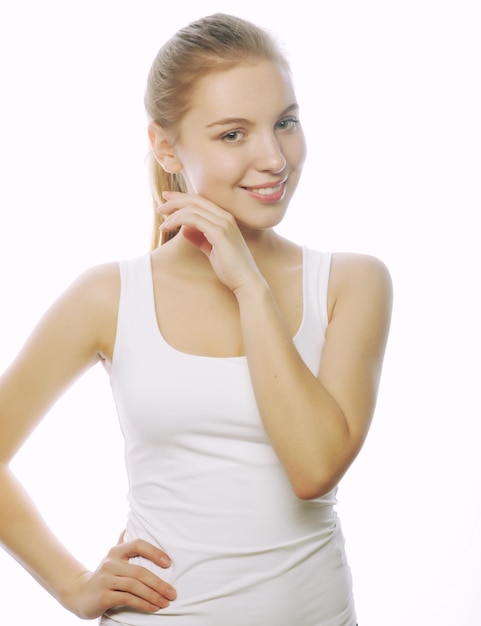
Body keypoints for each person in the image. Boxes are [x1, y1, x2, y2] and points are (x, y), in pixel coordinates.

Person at [0, 13, 392, 626]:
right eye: (233, 134)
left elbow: (314, 468)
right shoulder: (110, 296)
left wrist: (249, 287)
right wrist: (71, 584)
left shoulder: (353, 283)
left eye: (285, 123)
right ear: (164, 146)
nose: (274, 158)